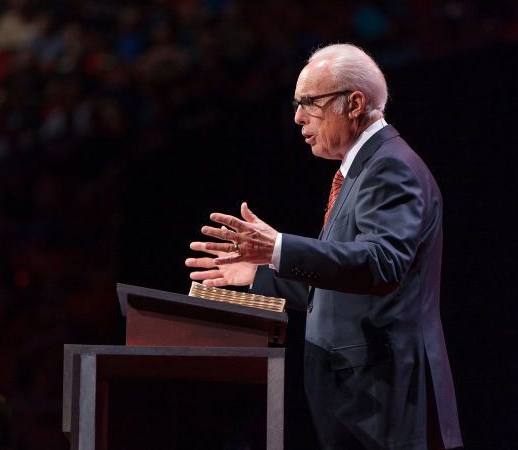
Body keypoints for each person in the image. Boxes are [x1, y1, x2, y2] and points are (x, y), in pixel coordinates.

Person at [185, 43, 463, 449]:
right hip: (364, 399)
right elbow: (344, 288)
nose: (298, 117)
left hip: (387, 398)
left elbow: (382, 264)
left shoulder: (389, 167)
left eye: (310, 103)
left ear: (355, 103)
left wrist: (278, 247)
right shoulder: (361, 171)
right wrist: (260, 273)